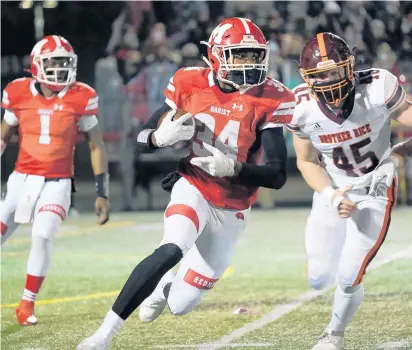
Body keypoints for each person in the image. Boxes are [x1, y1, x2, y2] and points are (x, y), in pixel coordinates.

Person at [78, 17, 295, 349]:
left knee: (180, 305)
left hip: (234, 207)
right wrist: (158, 137)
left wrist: (233, 168)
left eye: (255, 56)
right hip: (193, 183)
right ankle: (103, 334)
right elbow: (141, 139)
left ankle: (166, 285)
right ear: (216, 56)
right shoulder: (189, 82)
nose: (249, 65)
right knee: (172, 247)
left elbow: (278, 175)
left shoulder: (271, 96)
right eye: (240, 55)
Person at [289, 32, 412, 350]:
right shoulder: (300, 106)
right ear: (306, 78)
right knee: (318, 279)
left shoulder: (376, 85)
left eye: (334, 71)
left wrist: (399, 153)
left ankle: (334, 335)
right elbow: (306, 161)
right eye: (320, 74)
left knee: (348, 274)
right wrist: (331, 195)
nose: (328, 81)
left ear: (350, 66)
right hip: (333, 190)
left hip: (375, 189)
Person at [0, 35, 110, 326]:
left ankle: (26, 304)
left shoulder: (81, 96)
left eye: (65, 62)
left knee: (42, 235)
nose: (60, 68)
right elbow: (2, 137)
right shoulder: (18, 92)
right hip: (21, 180)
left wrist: (102, 192)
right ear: (37, 65)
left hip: (58, 182)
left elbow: (96, 145)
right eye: (54, 62)